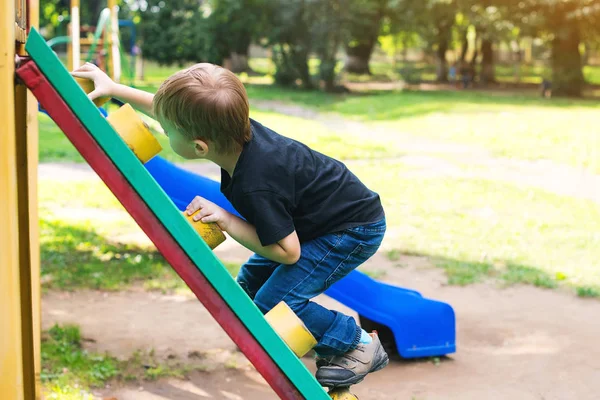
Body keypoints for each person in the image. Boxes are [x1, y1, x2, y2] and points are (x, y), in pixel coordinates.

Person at [71, 62, 389, 387]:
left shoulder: (257, 183)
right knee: (250, 284)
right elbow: (170, 112)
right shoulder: (232, 131)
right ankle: (322, 342)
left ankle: (358, 344)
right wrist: (113, 88)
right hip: (318, 219)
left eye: (168, 132)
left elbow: (288, 252)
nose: (164, 130)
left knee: (273, 302)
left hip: (350, 230)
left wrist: (225, 220)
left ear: (199, 147)